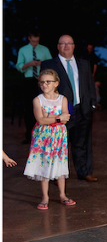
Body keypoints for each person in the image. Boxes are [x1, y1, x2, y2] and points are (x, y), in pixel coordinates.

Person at [41, 35, 98, 182]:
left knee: (82, 144)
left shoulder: (84, 64)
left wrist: (92, 104)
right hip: (60, 113)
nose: (66, 46)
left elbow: (90, 85)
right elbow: (44, 88)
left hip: (82, 111)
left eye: (69, 43)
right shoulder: (49, 65)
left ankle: (84, 172)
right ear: (58, 46)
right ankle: (56, 176)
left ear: (74, 46)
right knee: (58, 145)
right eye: (62, 43)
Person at [22, 69, 74, 210]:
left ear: (56, 83)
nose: (44, 84)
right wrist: (56, 118)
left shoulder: (62, 99)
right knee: (44, 164)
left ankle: (62, 195)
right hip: (43, 137)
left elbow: (65, 119)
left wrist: (49, 117)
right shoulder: (38, 100)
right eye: (42, 82)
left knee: (60, 163)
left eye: (48, 82)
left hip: (58, 136)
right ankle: (45, 196)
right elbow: (40, 120)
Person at [16, 32, 53, 143]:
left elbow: (51, 63)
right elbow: (19, 66)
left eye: (37, 41)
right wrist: (29, 64)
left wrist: (42, 63)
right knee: (29, 109)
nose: (35, 44)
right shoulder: (23, 50)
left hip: (43, 80)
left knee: (45, 107)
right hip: (29, 81)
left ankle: (45, 135)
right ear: (29, 38)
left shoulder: (44, 50)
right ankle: (30, 136)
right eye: (33, 41)